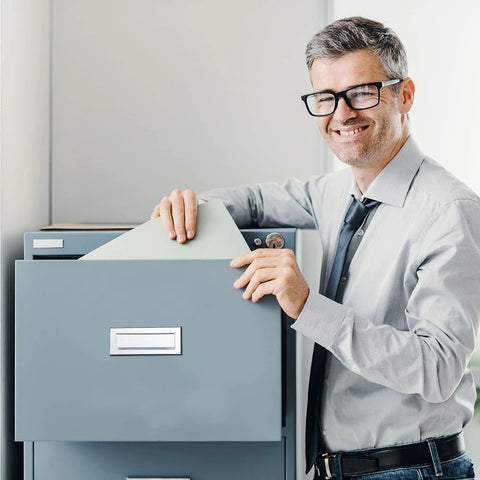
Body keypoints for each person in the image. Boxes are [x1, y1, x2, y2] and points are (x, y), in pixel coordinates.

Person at [151, 17, 480, 480]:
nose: (341, 114)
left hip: (411, 470)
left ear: (404, 95)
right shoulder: (330, 193)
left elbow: (439, 368)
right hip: (336, 471)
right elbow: (256, 202)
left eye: (362, 92)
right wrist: (192, 205)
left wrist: (308, 306)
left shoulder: (449, 209)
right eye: (326, 98)